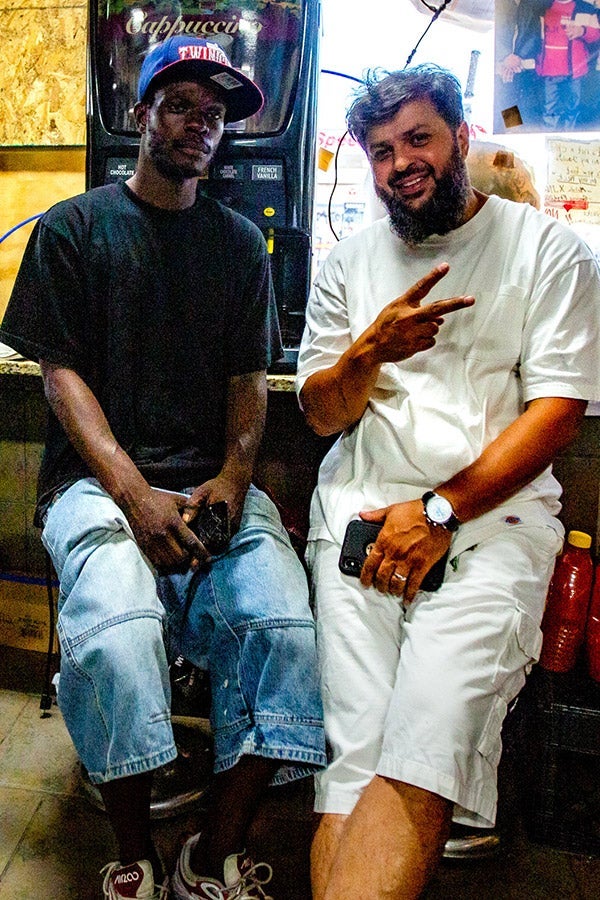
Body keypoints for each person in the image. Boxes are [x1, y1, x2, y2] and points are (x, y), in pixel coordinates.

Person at [0, 35, 326, 900]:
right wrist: (134, 493)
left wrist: (234, 474)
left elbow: (246, 379)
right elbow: (59, 377)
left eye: (214, 115)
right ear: (140, 114)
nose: (198, 125)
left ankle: (213, 851)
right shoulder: (73, 229)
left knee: (284, 629)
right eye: (179, 105)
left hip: (208, 479)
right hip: (96, 487)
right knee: (113, 636)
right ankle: (134, 854)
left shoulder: (234, 245)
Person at [296, 63, 600, 900]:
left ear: (462, 137)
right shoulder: (349, 263)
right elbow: (321, 413)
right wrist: (368, 354)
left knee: (423, 750)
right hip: (360, 520)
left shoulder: (547, 251)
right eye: (382, 150)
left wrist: (438, 510)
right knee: (355, 760)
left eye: (419, 138)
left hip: (489, 527)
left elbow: (558, 412)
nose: (402, 163)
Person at [536, 0, 600, 129]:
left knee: (572, 109)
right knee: (550, 110)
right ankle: (549, 139)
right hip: (549, 70)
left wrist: (582, 31)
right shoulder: (542, 6)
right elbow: (533, 35)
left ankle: (567, 137)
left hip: (575, 72)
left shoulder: (585, 8)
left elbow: (596, 35)